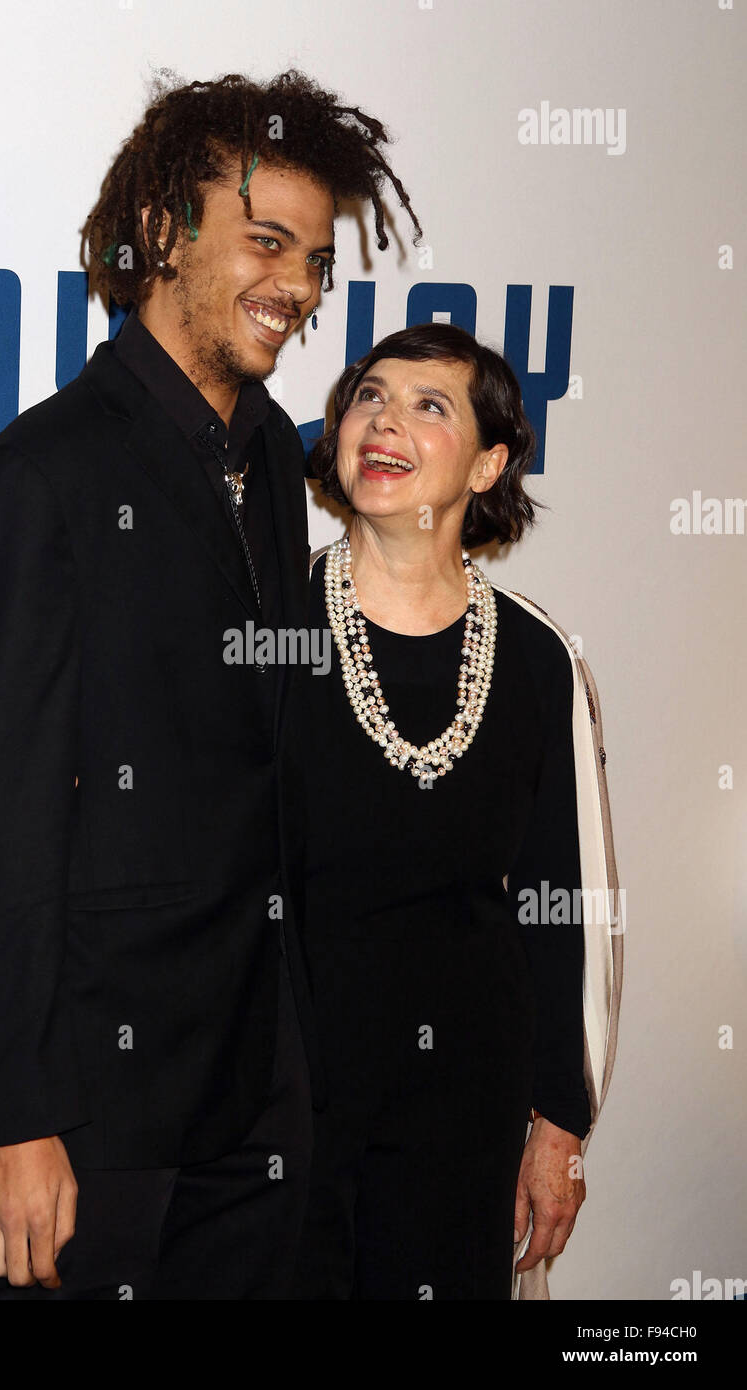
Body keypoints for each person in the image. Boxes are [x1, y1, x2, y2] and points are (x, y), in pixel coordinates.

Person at [0, 70, 422, 1300]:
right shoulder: (38, 479)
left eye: (312, 258)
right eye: (265, 242)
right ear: (161, 231)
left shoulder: (265, 451)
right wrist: (11, 1121)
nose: (298, 289)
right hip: (91, 1122)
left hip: (253, 1098)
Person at [293, 323, 621, 1300]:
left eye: (427, 405)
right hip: (279, 1119)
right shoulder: (265, 623)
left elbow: (568, 902)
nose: (384, 420)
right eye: (369, 396)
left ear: (487, 462)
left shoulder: (533, 658)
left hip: (461, 1125)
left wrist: (557, 1126)